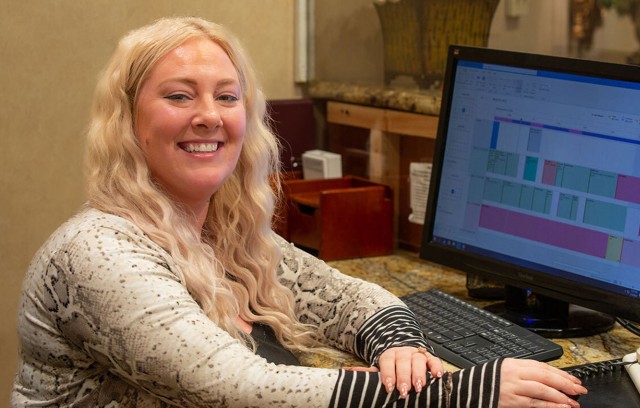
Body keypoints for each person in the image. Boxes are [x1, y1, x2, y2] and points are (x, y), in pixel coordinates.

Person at [12, 16, 587, 407]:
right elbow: (237, 386)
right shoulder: (98, 252)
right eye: (179, 95)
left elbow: (352, 298)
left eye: (227, 96)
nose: (210, 116)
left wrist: (400, 352)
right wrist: (463, 391)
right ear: (128, 121)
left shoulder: (218, 231)